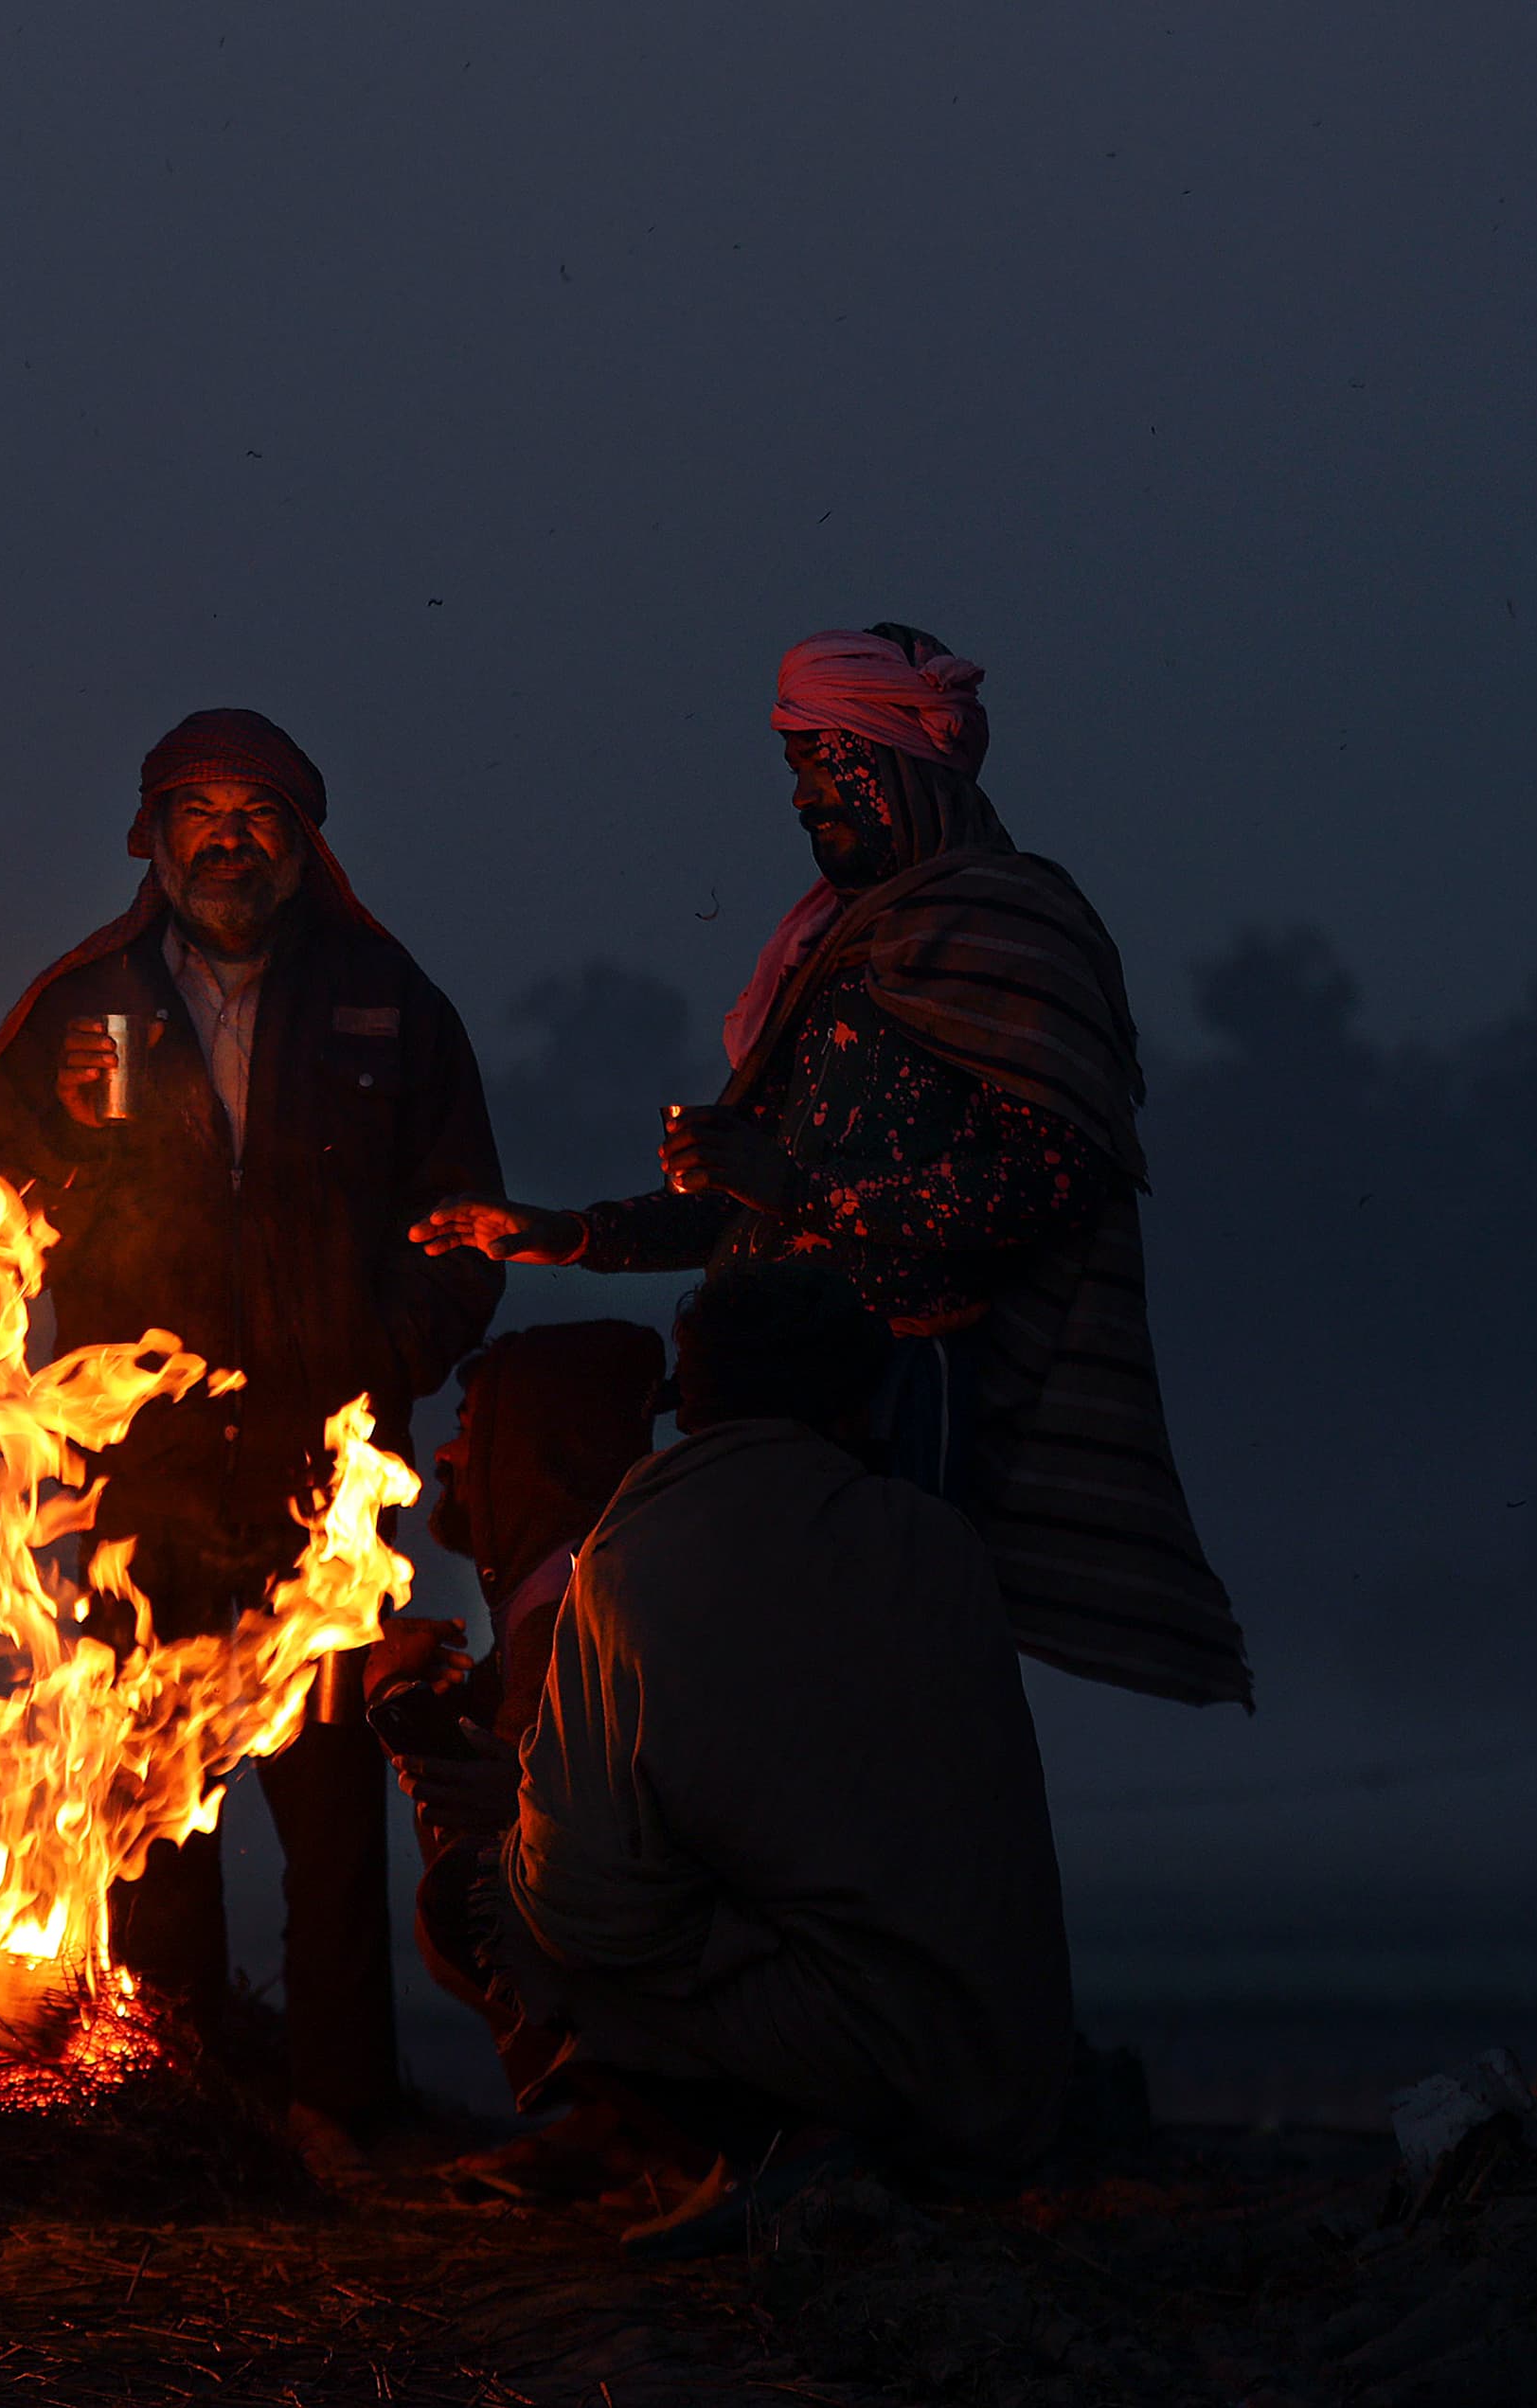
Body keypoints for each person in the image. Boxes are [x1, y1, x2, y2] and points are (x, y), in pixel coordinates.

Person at [413, 625, 1249, 1710]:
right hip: (750, 1396)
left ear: (899, 759)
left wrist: (797, 1189)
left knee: (854, 1695)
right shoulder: (834, 945)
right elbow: (741, 1195)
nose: (805, 796)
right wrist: (564, 1233)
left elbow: (1052, 1181)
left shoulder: (1013, 926)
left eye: (822, 760)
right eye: (794, 766)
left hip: (888, 1401)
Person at [0, 705, 506, 2145]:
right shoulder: (81, 1006)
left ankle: (341, 2108)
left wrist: (380, 1358)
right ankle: (177, 2103)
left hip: (320, 1470)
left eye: (257, 813)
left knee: (331, 1798)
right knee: (149, 1790)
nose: (227, 838)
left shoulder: (388, 1000)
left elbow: (464, 1223)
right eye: (198, 810)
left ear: (303, 840)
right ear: (150, 834)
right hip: (138, 1472)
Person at [418, 1265, 1075, 2221]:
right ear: (857, 1403)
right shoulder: (936, 1536)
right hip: (1001, 2072)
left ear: (690, 1403)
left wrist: (523, 1820)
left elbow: (583, 1903)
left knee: (471, 1902)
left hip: (847, 2048)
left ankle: (773, 2151)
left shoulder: (634, 1550)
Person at [359, 1320, 666, 2102]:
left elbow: (503, 1805)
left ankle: (625, 2118)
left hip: (659, 1952)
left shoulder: (565, 1608)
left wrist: (388, 1694)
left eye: (469, 1430)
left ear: (526, 1451)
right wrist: (431, 1696)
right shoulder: (586, 1573)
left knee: (464, 1896)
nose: (445, 1455)